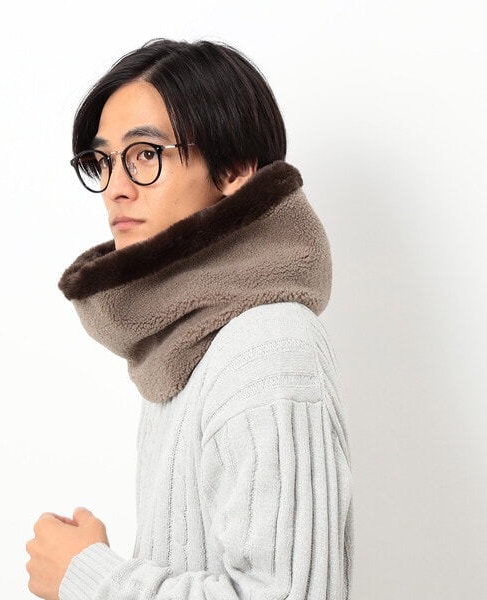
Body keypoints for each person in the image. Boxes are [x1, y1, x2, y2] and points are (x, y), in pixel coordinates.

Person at [26, 38, 353, 600]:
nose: (116, 188)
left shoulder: (266, 347)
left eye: (145, 154)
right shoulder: (187, 340)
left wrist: (89, 577)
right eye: (104, 161)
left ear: (236, 168)